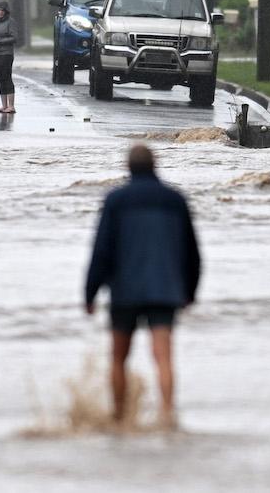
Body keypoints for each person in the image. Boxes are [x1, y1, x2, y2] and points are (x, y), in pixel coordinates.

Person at [85, 144, 200, 430]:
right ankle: (167, 413)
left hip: (125, 289)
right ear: (155, 165)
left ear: (128, 167)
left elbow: (102, 249)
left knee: (118, 357)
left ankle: (119, 417)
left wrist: (90, 292)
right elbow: (191, 251)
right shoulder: (175, 200)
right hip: (165, 289)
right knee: (163, 356)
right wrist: (189, 291)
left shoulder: (116, 200)